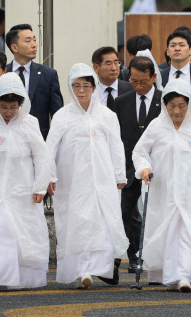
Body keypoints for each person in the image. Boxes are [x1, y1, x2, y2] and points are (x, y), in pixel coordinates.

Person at [46, 63, 128, 289]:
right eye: (76, 86)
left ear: (94, 87)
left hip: (102, 180)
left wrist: (119, 174)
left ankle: (97, 268)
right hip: (72, 180)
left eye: (86, 86)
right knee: (77, 223)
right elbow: (50, 148)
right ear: (70, 88)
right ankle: (81, 270)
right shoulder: (62, 116)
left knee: (101, 223)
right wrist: (49, 176)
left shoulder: (107, 115)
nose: (81, 90)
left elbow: (116, 146)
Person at [133, 79, 191, 292]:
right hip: (164, 192)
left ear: (190, 105)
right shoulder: (156, 126)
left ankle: (185, 276)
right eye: (172, 106)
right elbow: (140, 151)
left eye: (181, 106)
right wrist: (143, 168)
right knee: (169, 234)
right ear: (164, 105)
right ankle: (172, 277)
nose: (176, 111)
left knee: (189, 233)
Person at [0, 73, 53, 291]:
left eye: (13, 107)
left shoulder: (30, 123)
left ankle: (15, 278)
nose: (8, 113)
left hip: (21, 190)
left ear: (21, 104)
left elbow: (42, 156)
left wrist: (40, 186)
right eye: (4, 107)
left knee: (16, 235)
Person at [113, 55, 162, 274]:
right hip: (128, 168)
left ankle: (156, 255)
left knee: (158, 213)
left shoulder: (165, 100)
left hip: (158, 166)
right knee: (126, 211)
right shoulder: (121, 102)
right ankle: (135, 255)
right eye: (134, 82)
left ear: (153, 77)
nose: (139, 86)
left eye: (144, 81)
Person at [5, 24, 63, 139]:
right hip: (8, 139)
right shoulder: (3, 73)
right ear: (14, 47)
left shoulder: (48, 75)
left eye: (34, 40)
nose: (34, 45)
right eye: (28, 41)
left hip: (39, 139)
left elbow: (58, 115)